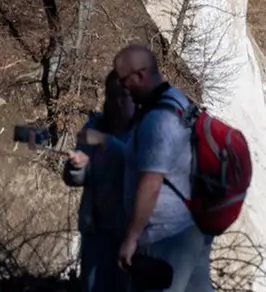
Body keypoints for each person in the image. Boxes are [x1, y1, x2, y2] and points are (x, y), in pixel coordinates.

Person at [114, 43, 213, 292]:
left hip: (165, 237)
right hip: (190, 227)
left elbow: (151, 182)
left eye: (124, 80)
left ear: (140, 75)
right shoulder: (178, 101)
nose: (123, 88)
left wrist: (132, 237)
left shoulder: (158, 120)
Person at [63, 71, 137, 292]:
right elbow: (70, 178)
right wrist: (78, 166)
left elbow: (142, 169)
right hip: (96, 231)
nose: (118, 102)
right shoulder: (94, 126)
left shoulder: (146, 130)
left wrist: (107, 143)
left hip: (132, 236)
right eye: (113, 95)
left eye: (125, 96)